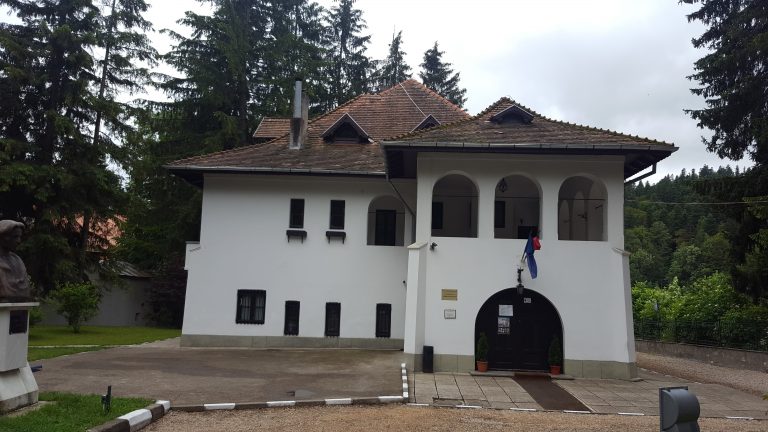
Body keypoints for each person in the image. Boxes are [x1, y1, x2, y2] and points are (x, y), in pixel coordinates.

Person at [0, 220, 31, 301]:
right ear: (3, 237)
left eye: (20, 237)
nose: (19, 241)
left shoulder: (18, 260)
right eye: (15, 237)